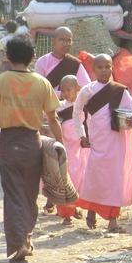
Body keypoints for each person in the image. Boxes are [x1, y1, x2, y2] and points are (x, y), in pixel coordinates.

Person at [0, 37, 63, 263]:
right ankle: (24, 238)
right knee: (29, 196)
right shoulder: (41, 82)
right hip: (32, 144)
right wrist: (61, 144)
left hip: (8, 144)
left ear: (7, 57)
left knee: (13, 196)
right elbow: (53, 119)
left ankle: (19, 245)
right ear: (32, 57)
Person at [73, 54, 132, 232]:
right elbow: (76, 112)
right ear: (94, 69)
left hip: (116, 140)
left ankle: (113, 220)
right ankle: (91, 210)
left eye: (107, 67)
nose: (104, 70)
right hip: (97, 140)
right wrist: (81, 134)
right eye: (100, 67)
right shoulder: (87, 91)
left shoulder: (120, 91)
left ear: (112, 68)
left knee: (115, 178)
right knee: (95, 176)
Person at [54, 75, 88, 225]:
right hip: (67, 150)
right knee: (66, 180)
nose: (66, 93)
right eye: (63, 91)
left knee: (81, 180)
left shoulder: (85, 105)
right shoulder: (60, 106)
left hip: (82, 149)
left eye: (69, 90)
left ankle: (76, 207)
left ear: (77, 89)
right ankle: (66, 214)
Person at [34, 26, 91, 95]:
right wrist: (61, 95)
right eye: (62, 40)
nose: (66, 44)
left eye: (69, 40)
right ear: (53, 41)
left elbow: (87, 87)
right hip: (49, 104)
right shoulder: (42, 62)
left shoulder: (74, 63)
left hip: (70, 103)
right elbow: (40, 90)